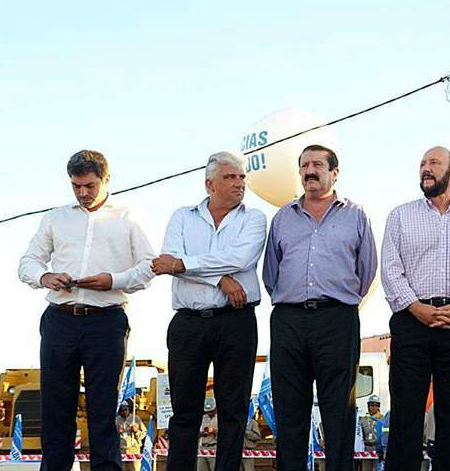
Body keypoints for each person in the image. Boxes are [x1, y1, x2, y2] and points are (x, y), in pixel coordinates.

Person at [18, 150, 155, 471]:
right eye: (76, 186)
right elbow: (28, 262)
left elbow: (149, 267)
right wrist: (45, 276)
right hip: (59, 320)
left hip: (106, 321)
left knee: (103, 408)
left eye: (90, 186)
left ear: (106, 180)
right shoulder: (55, 218)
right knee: (55, 408)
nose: (82, 193)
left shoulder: (128, 217)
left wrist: (113, 280)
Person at [262, 144, 378, 471]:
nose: (309, 171)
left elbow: (366, 271)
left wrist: (338, 302)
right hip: (289, 321)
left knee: (339, 412)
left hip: (337, 320)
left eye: (317, 165)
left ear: (334, 173)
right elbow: (271, 273)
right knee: (289, 412)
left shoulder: (355, 215)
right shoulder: (283, 218)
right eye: (304, 166)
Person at [381, 146, 450, 471]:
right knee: (406, 416)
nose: (425, 169)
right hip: (410, 322)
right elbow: (390, 269)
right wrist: (416, 308)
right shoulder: (400, 216)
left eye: (434, 163)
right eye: (422, 164)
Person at [152, 151, 266, 471]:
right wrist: (220, 279)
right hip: (189, 323)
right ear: (209, 184)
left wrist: (187, 264)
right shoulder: (182, 217)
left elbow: (239, 258)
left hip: (236, 322)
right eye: (230, 177)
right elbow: (168, 260)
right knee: (185, 412)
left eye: (242, 177)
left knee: (233, 410)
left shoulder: (254, 218)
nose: (239, 183)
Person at [115, 400, 145, 471]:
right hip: (122, 450)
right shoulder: (116, 420)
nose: (124, 411)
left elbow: (144, 433)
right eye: (122, 410)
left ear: (129, 409)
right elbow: (111, 436)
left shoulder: (136, 418)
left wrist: (136, 431)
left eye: (125, 409)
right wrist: (118, 432)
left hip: (134, 449)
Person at [359, 395, 386, 471]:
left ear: (379, 407)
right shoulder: (363, 420)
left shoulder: (383, 419)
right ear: (368, 406)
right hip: (367, 448)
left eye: (376, 405)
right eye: (372, 405)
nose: (374, 407)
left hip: (378, 448)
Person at [198, 398, 218, 471]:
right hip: (202, 447)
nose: (209, 413)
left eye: (211, 411)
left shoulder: (220, 419)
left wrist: (214, 431)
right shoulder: (203, 418)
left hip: (214, 447)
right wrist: (203, 433)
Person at [241, 406, 263, 471]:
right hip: (237, 451)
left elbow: (257, 437)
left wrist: (246, 432)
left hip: (248, 451)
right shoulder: (237, 423)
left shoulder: (253, 423)